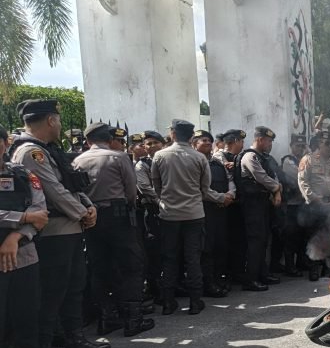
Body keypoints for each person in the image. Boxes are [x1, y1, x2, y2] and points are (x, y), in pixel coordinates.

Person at [9, 99, 111, 348]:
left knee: (73, 287)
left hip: (69, 226)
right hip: (55, 231)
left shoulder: (49, 150)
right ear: (51, 120)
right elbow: (53, 190)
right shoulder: (32, 152)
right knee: (53, 293)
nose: (61, 125)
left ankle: (74, 339)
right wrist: (82, 212)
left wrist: (88, 207)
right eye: (59, 120)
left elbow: (69, 183)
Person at [72, 122, 155, 335]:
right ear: (109, 139)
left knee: (99, 268)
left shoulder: (78, 160)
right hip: (118, 216)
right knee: (131, 265)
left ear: (88, 141)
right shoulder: (119, 157)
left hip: (91, 219)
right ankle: (133, 320)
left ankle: (106, 318)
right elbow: (130, 191)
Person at [0, 124, 63, 348]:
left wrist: (15, 236)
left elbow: (40, 212)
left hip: (24, 256)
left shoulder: (22, 174)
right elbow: (30, 216)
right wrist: (21, 219)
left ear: (5, 143)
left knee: (28, 315)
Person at [151, 119, 232, 315]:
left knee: (169, 258)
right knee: (193, 258)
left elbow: (157, 188)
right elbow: (205, 190)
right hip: (194, 215)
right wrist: (223, 197)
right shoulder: (199, 158)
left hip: (169, 214)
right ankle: (195, 302)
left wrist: (169, 200)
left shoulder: (159, 156)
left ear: (172, 134)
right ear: (190, 137)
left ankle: (169, 303)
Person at [234, 126, 281, 291]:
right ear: (260, 139)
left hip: (261, 204)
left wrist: (276, 188)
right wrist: (277, 189)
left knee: (262, 240)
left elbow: (271, 176)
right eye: (269, 141)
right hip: (252, 205)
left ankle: (262, 274)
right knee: (255, 242)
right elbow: (261, 177)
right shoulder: (250, 156)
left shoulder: (262, 157)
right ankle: (250, 279)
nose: (270, 145)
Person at [298, 131, 330, 281]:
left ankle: (329, 268)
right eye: (326, 143)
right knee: (314, 238)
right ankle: (314, 268)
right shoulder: (308, 160)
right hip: (315, 204)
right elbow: (302, 181)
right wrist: (313, 198)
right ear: (319, 144)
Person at [193, 129, 235, 297]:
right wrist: (221, 198)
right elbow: (201, 189)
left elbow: (230, 180)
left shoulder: (217, 163)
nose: (208, 143)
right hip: (204, 211)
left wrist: (231, 194)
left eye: (209, 140)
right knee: (206, 249)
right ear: (194, 144)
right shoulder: (194, 162)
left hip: (221, 210)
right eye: (203, 140)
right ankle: (207, 284)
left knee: (220, 246)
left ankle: (218, 279)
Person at [212, 129, 247, 290]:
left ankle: (238, 272)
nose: (242, 144)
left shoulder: (240, 156)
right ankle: (226, 274)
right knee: (225, 242)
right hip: (224, 206)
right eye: (240, 141)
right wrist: (228, 197)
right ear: (233, 142)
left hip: (237, 203)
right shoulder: (219, 157)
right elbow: (229, 178)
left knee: (239, 241)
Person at [135, 130, 164, 301]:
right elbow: (146, 188)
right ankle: (155, 287)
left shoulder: (167, 160)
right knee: (154, 249)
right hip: (153, 209)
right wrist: (163, 201)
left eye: (155, 142)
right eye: (148, 144)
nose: (152, 146)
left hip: (171, 208)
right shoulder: (142, 165)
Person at [281, 134, 309, 276]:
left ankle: (300, 263)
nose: (300, 148)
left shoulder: (303, 160)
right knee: (290, 237)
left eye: (302, 146)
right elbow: (298, 176)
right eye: (298, 146)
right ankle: (290, 267)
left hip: (302, 205)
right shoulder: (288, 160)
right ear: (291, 146)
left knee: (301, 236)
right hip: (291, 205)